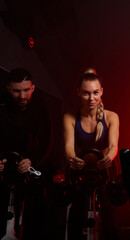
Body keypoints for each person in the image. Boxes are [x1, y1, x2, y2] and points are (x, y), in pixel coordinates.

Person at [63, 68, 119, 239]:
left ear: (101, 91)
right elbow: (68, 147)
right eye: (86, 93)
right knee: (76, 217)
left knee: (110, 220)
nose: (91, 98)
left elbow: (113, 146)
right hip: (81, 168)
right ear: (78, 92)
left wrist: (108, 158)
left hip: (105, 167)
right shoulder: (70, 117)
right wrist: (72, 159)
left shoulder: (111, 117)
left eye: (95, 93)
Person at [0, 68, 52, 239]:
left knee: (37, 211)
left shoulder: (41, 107)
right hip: (3, 163)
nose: (22, 96)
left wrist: (32, 161)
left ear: (33, 88)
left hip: (30, 164)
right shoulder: (1, 105)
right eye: (16, 91)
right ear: (8, 88)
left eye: (26, 90)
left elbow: (46, 144)